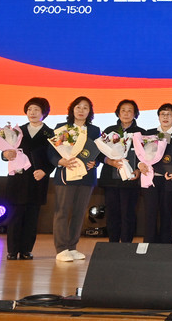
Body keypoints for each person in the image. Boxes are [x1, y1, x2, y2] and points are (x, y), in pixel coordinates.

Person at [1, 97, 55, 260]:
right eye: (30, 109)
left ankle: (26, 250)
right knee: (15, 216)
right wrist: (5, 154)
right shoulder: (17, 132)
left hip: (37, 179)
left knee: (32, 217)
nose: (32, 112)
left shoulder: (50, 133)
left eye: (36, 109)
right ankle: (12, 250)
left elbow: (54, 157)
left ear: (44, 113)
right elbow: (6, 151)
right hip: (18, 179)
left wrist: (45, 171)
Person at [48, 96, 101, 262]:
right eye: (78, 107)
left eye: (85, 108)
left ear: (90, 112)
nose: (81, 110)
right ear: (72, 109)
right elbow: (51, 152)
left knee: (79, 212)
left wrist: (95, 163)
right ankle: (61, 248)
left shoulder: (94, 130)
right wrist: (60, 161)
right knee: (62, 212)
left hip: (86, 176)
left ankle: (72, 247)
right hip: (66, 175)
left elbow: (99, 152)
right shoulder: (62, 128)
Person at [140, 103, 172, 244]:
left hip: (169, 179)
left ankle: (166, 246)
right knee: (150, 213)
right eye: (163, 114)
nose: (166, 117)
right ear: (158, 117)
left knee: (167, 213)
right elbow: (140, 154)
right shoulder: (149, 133)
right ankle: (149, 245)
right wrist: (140, 164)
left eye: (169, 114)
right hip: (151, 178)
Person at [98, 99, 144, 244]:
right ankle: (112, 244)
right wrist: (109, 161)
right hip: (110, 179)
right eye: (123, 110)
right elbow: (98, 153)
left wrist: (138, 170)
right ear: (118, 113)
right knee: (112, 213)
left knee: (128, 214)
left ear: (135, 114)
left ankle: (126, 245)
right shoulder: (109, 130)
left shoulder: (141, 132)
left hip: (131, 180)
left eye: (130, 110)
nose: (126, 113)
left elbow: (146, 156)